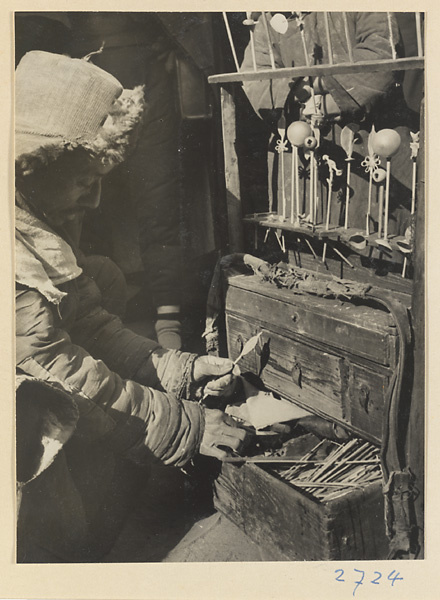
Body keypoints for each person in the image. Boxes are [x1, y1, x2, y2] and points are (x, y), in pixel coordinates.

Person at [15, 50, 247, 562]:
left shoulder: (33, 213)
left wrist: (178, 369)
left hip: (53, 374)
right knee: (59, 533)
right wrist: (181, 425)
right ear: (32, 167)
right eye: (85, 181)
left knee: (102, 280)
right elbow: (59, 369)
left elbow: (90, 326)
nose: (96, 202)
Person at [241, 12, 418, 235]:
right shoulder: (271, 17)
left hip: (369, 139)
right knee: (305, 233)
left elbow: (381, 55)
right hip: (301, 140)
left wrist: (326, 98)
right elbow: (255, 74)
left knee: (372, 233)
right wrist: (302, 94)